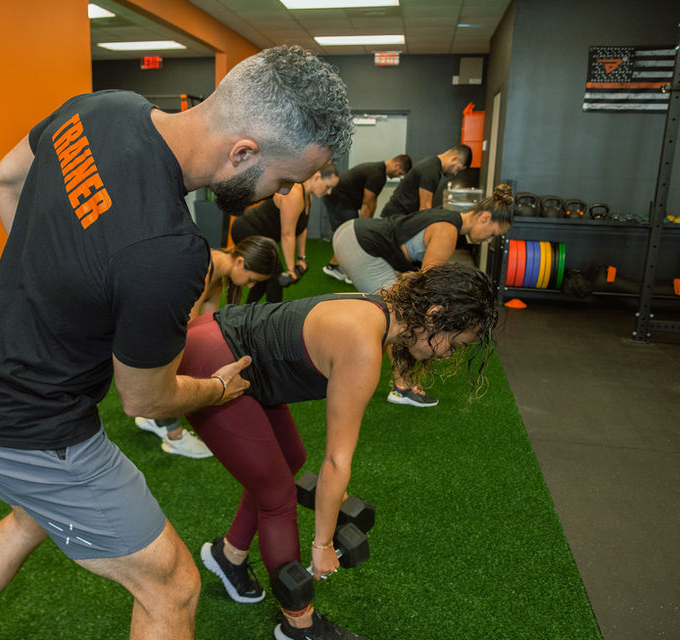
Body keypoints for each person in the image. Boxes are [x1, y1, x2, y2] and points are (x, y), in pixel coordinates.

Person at [0, 45, 352, 640]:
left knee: (31, 517)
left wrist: (52, 282)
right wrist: (216, 387)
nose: (281, 196)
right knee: (172, 586)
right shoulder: (169, 253)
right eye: (285, 180)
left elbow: (4, 178)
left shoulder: (102, 109)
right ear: (244, 153)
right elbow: (145, 400)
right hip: (33, 429)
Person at [176, 263, 498, 640]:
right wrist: (323, 544)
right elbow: (335, 460)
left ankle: (227, 556)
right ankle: (298, 625)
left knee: (290, 460)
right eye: (455, 343)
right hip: (214, 360)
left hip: (232, 349)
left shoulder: (380, 311)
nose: (448, 355)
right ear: (434, 314)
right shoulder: (363, 344)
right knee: (277, 494)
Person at [332, 184, 513, 408]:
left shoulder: (448, 218)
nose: (488, 240)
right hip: (360, 245)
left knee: (390, 312)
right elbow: (426, 290)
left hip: (352, 233)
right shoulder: (448, 231)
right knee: (400, 317)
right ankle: (402, 388)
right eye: (493, 234)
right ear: (485, 218)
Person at [134, 235, 278, 458]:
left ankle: (151, 416)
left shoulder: (218, 275)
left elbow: (207, 325)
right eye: (251, 279)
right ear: (239, 261)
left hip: (154, 318)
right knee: (177, 364)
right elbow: (188, 329)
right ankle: (173, 434)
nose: (250, 286)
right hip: (142, 318)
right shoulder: (201, 267)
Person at [229, 162, 339, 304]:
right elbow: (287, 234)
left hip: (265, 236)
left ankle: (247, 312)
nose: (329, 192)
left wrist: (302, 258)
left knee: (264, 277)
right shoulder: (294, 194)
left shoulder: (308, 196)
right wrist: (290, 269)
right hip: (247, 229)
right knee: (276, 278)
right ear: (317, 177)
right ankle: (273, 317)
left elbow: (301, 229)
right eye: (328, 186)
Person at [320, 154, 412, 283]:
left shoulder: (378, 171)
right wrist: (364, 229)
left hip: (340, 199)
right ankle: (343, 270)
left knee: (349, 235)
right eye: (400, 173)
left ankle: (334, 266)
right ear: (397, 165)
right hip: (339, 199)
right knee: (351, 237)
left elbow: (370, 203)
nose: (398, 176)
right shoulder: (377, 174)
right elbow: (367, 204)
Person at [380, 145, 472, 218]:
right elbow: (424, 208)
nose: (455, 173)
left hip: (397, 216)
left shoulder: (432, 164)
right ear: (454, 159)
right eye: (458, 169)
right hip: (395, 219)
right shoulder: (431, 170)